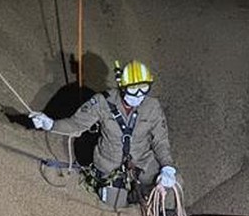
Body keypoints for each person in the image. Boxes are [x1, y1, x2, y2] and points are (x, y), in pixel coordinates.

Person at [29, 60, 177, 203]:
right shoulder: (102, 102)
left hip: (142, 161)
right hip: (109, 163)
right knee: (115, 201)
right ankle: (132, 196)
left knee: (173, 185)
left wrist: (167, 167)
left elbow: (160, 141)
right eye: (133, 89)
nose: (138, 94)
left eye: (143, 88)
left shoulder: (152, 107)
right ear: (122, 86)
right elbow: (76, 124)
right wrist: (51, 125)